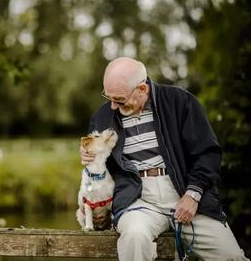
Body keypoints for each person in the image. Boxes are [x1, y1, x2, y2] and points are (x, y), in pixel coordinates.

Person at [80, 57, 249, 260]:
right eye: (109, 98)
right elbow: (97, 167)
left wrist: (193, 194)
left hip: (185, 191)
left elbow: (208, 153)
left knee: (231, 256)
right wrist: (91, 157)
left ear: (142, 89)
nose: (113, 106)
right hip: (137, 198)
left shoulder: (180, 101)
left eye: (120, 100)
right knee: (134, 238)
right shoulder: (102, 116)